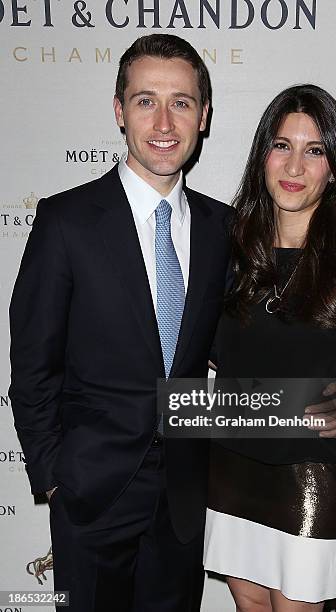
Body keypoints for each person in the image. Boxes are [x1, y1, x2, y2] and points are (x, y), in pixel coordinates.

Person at [9, 34, 232, 612]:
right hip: (90, 491)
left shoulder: (223, 229)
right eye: (145, 100)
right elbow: (33, 362)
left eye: (181, 102)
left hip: (183, 497)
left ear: (203, 116)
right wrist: (53, 476)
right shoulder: (66, 221)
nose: (164, 120)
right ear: (119, 110)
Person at [203, 84, 336, 612]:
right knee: (247, 603)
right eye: (281, 144)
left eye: (314, 149)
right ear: (261, 156)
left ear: (335, 166)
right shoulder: (232, 251)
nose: (294, 164)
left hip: (309, 477)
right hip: (230, 462)